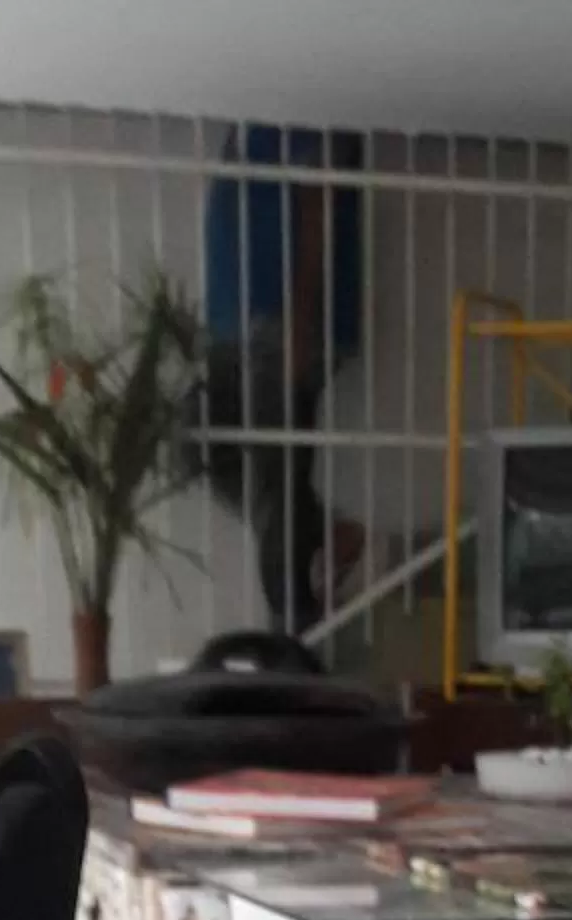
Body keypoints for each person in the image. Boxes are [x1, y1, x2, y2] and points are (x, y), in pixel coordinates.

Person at [203, 125, 366, 634]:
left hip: (285, 324)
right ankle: (323, 533)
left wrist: (302, 312)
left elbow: (318, 201)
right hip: (242, 328)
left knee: (276, 480)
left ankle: (293, 626)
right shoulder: (255, 125)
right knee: (206, 445)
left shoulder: (297, 108)